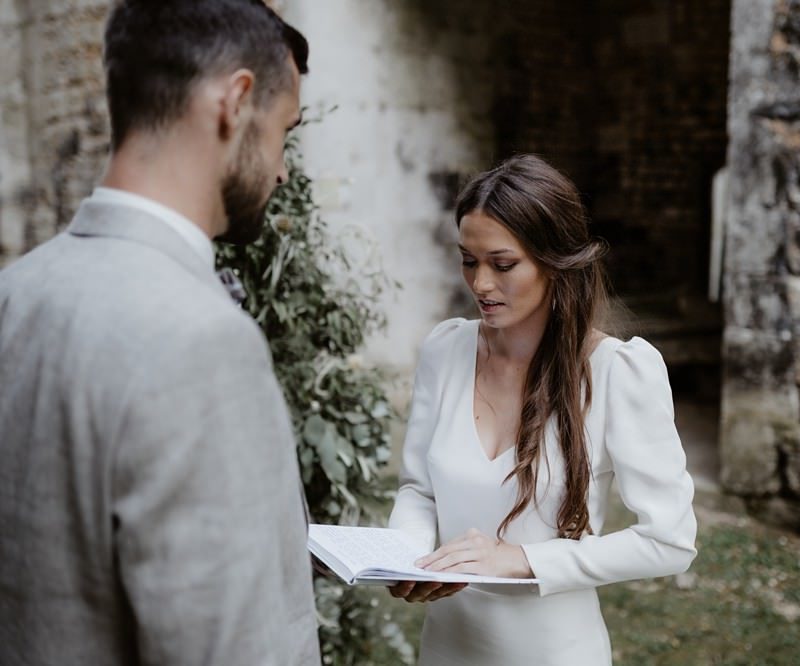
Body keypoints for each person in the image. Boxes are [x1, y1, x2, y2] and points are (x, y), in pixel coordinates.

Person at [0, 1, 319, 664]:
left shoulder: (16, 292)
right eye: (286, 130)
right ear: (236, 102)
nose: (284, 169)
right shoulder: (202, 342)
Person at [387, 154, 698, 664]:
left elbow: (670, 540)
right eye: (469, 260)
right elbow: (418, 490)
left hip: (553, 650)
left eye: (503, 264)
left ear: (555, 261)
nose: (481, 284)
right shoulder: (445, 350)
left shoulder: (619, 373)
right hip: (446, 646)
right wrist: (406, 557)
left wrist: (522, 560)